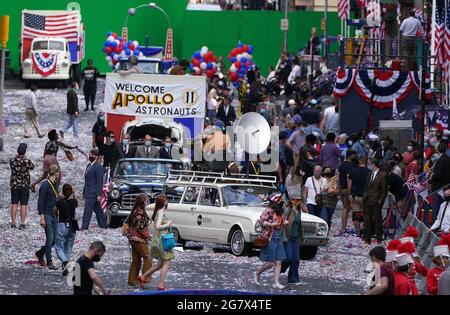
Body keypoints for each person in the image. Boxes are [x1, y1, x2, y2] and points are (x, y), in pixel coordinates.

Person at [254, 193, 288, 289]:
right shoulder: (268, 210)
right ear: (276, 201)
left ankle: (276, 282)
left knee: (279, 261)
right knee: (271, 262)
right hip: (270, 238)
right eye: (280, 200)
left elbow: (284, 221)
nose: (282, 201)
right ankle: (257, 273)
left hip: (278, 237)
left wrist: (284, 223)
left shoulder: (280, 212)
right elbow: (261, 222)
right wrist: (272, 224)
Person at [140, 195, 174, 290]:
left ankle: (143, 277)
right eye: (166, 201)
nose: (167, 202)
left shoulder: (158, 212)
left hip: (158, 240)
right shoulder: (161, 212)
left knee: (160, 263)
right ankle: (161, 285)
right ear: (164, 202)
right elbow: (157, 226)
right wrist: (168, 224)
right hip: (162, 241)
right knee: (166, 262)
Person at [35, 164, 60, 269]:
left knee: (54, 238)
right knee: (50, 238)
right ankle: (49, 261)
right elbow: (40, 202)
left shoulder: (54, 184)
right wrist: (42, 217)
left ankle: (41, 252)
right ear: (57, 173)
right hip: (47, 214)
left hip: (54, 214)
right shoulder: (45, 185)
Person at [126, 194, 152, 287]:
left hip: (132, 238)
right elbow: (140, 228)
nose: (147, 202)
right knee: (147, 257)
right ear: (143, 202)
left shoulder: (135, 210)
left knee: (136, 260)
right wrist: (148, 236)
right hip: (138, 239)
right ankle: (145, 279)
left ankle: (132, 280)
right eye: (146, 200)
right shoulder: (139, 213)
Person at [281, 192, 304, 285]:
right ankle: (279, 269)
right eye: (296, 200)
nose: (298, 201)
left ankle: (293, 278)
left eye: (299, 200)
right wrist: (284, 237)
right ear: (292, 200)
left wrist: (301, 237)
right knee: (289, 258)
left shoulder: (299, 211)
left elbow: (299, 225)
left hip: (295, 238)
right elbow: (282, 223)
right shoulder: (288, 210)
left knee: (296, 259)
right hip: (288, 237)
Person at [9, 143, 34, 229]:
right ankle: (22, 223)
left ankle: (13, 223)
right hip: (24, 185)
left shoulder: (12, 160)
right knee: (24, 204)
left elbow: (12, 166)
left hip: (14, 184)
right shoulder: (27, 161)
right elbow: (32, 167)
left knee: (14, 203)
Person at [362, 159, 387, 244]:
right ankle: (367, 239)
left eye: (370, 164)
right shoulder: (369, 174)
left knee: (377, 221)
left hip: (376, 201)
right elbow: (366, 187)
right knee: (367, 220)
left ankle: (379, 239)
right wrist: (364, 197)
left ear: (374, 165)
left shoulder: (382, 175)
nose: (369, 166)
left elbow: (384, 190)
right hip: (367, 200)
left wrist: (380, 200)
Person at [55, 184, 78, 276]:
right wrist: (74, 193)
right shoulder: (74, 202)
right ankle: (66, 267)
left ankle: (64, 262)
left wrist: (59, 196)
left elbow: (54, 211)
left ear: (63, 192)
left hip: (62, 225)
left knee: (59, 246)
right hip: (72, 226)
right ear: (71, 192)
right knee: (68, 247)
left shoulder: (60, 201)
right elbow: (76, 202)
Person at [81, 149, 107, 230]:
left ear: (96, 156)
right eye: (89, 154)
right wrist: (84, 191)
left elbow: (100, 181)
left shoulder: (98, 167)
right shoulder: (88, 166)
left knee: (87, 210)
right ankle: (103, 225)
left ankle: (84, 227)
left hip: (93, 192)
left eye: (92, 155)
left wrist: (99, 194)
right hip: (88, 191)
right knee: (98, 210)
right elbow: (87, 180)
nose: (90, 156)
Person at [348, 157, 370, 237]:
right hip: (366, 198)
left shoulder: (353, 171)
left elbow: (349, 183)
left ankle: (358, 232)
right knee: (366, 215)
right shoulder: (369, 172)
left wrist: (350, 194)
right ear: (366, 162)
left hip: (355, 197)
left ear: (359, 161)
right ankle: (365, 231)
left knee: (356, 216)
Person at [430, 143, 450, 222]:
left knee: (438, 207)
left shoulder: (441, 160)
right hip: (445, 187)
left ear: (438, 149)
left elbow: (438, 174)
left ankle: (437, 224)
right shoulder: (447, 158)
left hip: (439, 188)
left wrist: (432, 177)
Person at [338, 149, 356, 234]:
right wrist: (350, 192)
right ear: (350, 156)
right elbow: (350, 179)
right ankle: (356, 227)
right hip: (348, 189)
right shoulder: (351, 166)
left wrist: (339, 187)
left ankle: (343, 228)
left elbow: (338, 176)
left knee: (345, 208)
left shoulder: (342, 165)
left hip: (342, 188)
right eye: (354, 155)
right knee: (354, 208)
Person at [321, 166, 339, 230]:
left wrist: (333, 191)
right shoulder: (321, 180)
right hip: (323, 202)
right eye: (326, 171)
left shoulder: (335, 180)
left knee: (328, 219)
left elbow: (338, 191)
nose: (328, 173)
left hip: (332, 203)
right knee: (324, 218)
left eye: (329, 171)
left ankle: (326, 233)